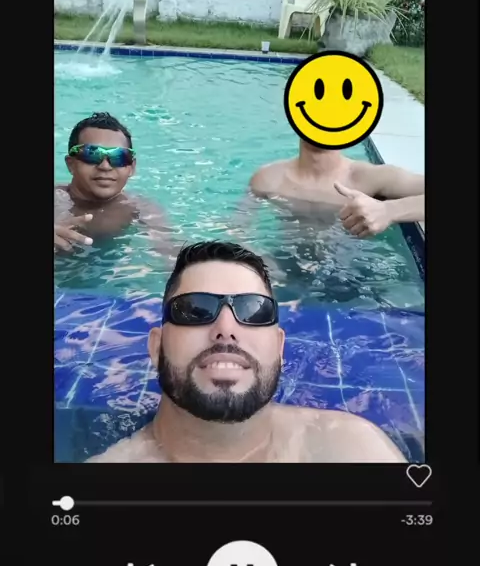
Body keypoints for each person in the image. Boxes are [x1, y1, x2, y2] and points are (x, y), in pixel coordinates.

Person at [87, 240, 406, 463]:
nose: (226, 329)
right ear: (156, 347)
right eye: (196, 309)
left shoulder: (352, 449)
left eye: (254, 310)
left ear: (280, 347)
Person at [54, 112, 179, 257]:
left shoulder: (141, 210)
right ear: (71, 164)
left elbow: (172, 254)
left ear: (131, 168)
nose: (105, 166)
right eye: (92, 154)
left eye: (119, 157)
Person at [247, 139, 424, 238]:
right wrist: (259, 261)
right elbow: (239, 230)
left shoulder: (373, 178)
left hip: (354, 273)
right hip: (283, 268)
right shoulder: (267, 178)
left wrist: (390, 210)